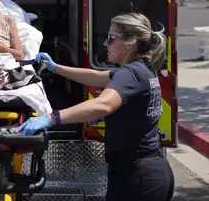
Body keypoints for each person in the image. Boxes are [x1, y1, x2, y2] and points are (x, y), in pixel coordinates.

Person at [16, 12, 175, 201]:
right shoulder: (142, 68)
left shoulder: (130, 74)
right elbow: (95, 76)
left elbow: (104, 104)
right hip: (147, 170)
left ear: (131, 42)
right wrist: (54, 67)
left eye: (111, 38)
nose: (106, 44)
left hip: (137, 176)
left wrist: (51, 118)